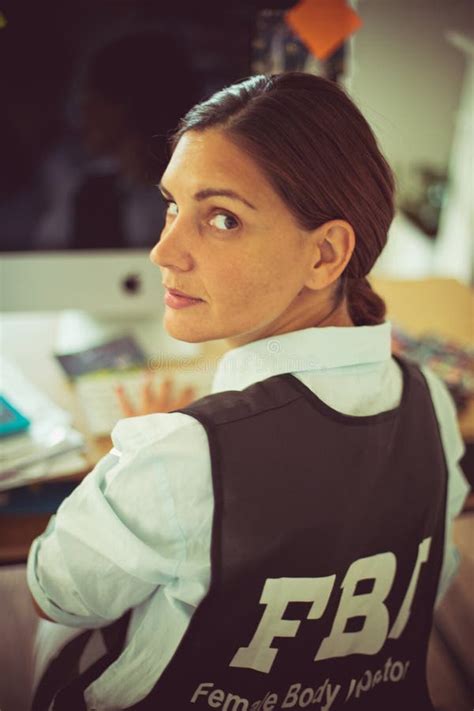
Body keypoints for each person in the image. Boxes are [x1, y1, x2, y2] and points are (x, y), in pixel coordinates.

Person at [27, 72, 468, 710]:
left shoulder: (179, 459)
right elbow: (435, 581)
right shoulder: (432, 405)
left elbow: (54, 593)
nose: (163, 250)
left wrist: (126, 467)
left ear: (325, 255)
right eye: (172, 205)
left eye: (223, 219)